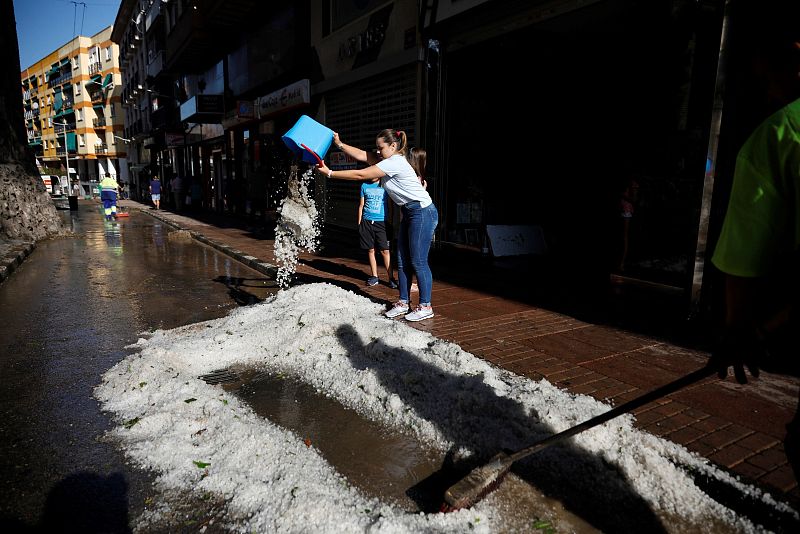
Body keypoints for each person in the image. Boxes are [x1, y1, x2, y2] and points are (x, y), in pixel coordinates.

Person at [709, 0, 799, 479]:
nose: (768, 93)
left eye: (768, 79)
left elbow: (743, 257)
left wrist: (738, 329)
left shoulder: (780, 135)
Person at [317, 129, 439, 322]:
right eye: (377, 148)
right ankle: (403, 302)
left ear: (393, 146)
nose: (378, 152)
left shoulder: (395, 163)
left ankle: (425, 305)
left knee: (418, 261)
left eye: (381, 148)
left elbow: (360, 174)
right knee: (401, 261)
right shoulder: (386, 159)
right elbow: (362, 155)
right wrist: (339, 144)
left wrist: (330, 173)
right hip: (409, 213)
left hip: (422, 212)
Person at [359, 178, 397, 288]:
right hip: (367, 221)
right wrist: (360, 224)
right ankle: (374, 276)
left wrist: (389, 222)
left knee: (385, 250)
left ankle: (391, 278)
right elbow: (361, 205)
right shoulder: (364, 186)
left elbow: (390, 205)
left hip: (382, 222)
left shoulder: (385, 185)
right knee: (371, 250)